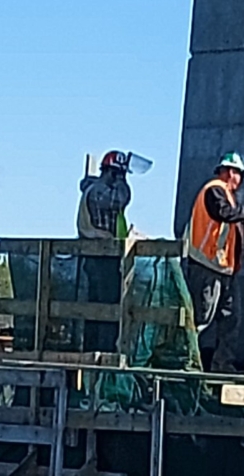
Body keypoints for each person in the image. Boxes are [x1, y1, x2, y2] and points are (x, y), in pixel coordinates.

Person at [185, 151, 244, 373]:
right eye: (239, 174)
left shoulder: (227, 196)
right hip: (206, 265)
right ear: (232, 172)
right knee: (200, 319)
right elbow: (224, 213)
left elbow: (232, 220)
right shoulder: (214, 190)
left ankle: (222, 364)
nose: (240, 180)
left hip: (224, 269)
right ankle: (184, 362)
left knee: (230, 319)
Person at [76, 150, 146, 351]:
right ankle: (102, 350)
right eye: (119, 174)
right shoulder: (99, 192)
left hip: (102, 255)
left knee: (99, 307)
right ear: (111, 172)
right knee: (106, 307)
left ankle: (97, 348)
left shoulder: (94, 188)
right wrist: (122, 179)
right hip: (100, 256)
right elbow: (120, 199)